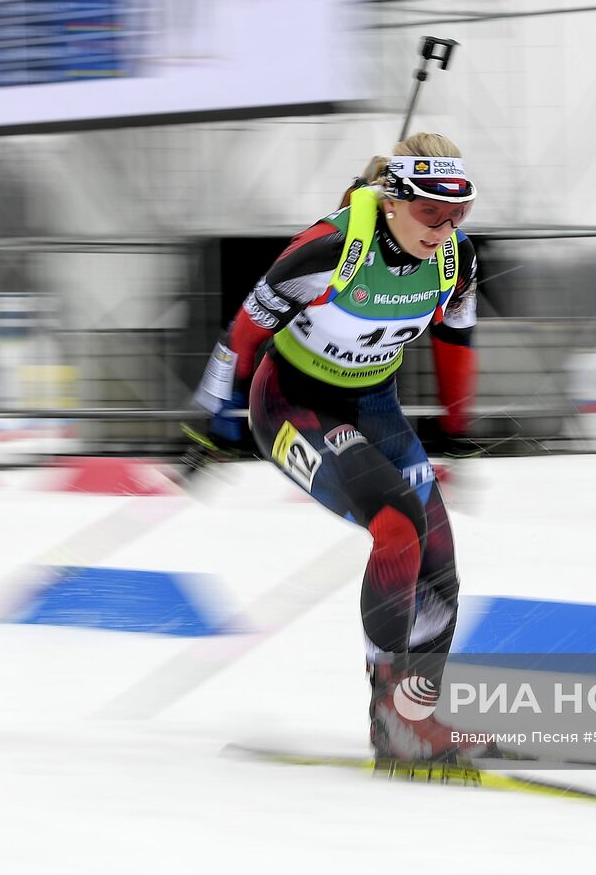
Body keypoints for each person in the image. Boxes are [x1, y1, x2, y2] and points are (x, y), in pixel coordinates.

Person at [194, 132, 487, 761]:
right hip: (293, 406)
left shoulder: (455, 261)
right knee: (395, 527)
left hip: (373, 405)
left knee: (437, 559)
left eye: (457, 211)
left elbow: (457, 345)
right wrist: (210, 423)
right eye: (429, 211)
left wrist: (459, 426)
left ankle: (416, 716)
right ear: (391, 199)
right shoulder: (326, 252)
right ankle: (392, 721)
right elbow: (240, 337)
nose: (443, 228)